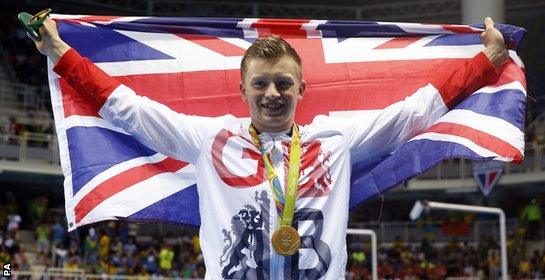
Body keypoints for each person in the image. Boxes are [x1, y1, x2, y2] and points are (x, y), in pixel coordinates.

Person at [31, 16, 508, 279]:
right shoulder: (211, 138)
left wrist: (486, 63)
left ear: (302, 90)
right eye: (261, 84)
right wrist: (61, 53)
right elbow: (127, 108)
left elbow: (416, 110)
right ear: (243, 91)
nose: (272, 94)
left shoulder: (333, 141)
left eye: (284, 83)